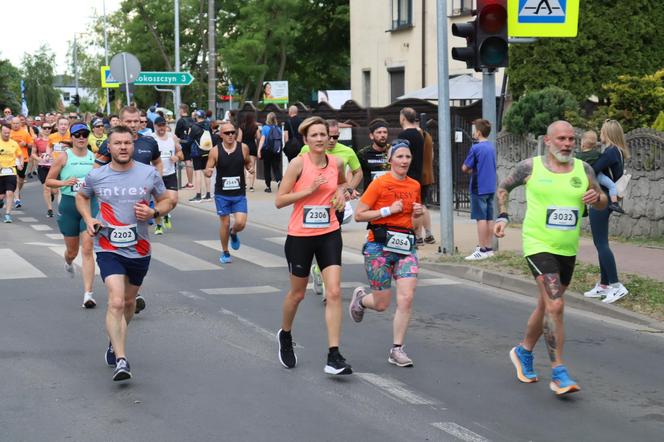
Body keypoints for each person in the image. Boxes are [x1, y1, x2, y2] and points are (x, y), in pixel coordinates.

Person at [496, 120, 606, 396]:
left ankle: (523, 352)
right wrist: (503, 215)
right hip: (538, 245)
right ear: (548, 141)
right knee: (556, 305)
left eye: (571, 139)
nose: (568, 144)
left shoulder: (584, 169)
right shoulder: (530, 167)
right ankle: (559, 372)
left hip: (567, 249)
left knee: (547, 306)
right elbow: (503, 188)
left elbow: (603, 200)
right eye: (562, 139)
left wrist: (598, 198)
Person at [77, 125, 174, 382]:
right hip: (108, 246)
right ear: (108, 147)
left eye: (127, 143)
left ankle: (114, 341)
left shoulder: (149, 173)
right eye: (117, 143)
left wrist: (155, 212)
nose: (122, 147)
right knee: (116, 301)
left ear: (133, 145)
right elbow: (82, 196)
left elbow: (168, 201)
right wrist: (88, 219)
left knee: (129, 303)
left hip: (140, 249)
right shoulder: (97, 176)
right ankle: (122, 359)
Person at [274, 116, 352, 375]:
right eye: (315, 135)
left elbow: (342, 182)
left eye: (324, 135)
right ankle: (285, 334)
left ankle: (334, 354)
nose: (320, 139)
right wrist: (308, 191)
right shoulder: (298, 164)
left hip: (329, 233)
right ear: (306, 140)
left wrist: (342, 192)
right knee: (297, 294)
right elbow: (280, 200)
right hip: (300, 236)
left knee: (335, 292)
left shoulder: (337, 162)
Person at [349, 139, 423, 367]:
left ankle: (397, 349)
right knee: (381, 304)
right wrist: (387, 210)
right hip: (379, 246)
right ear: (390, 160)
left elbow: (414, 223)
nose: (404, 161)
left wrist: (418, 215)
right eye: (399, 156)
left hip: (405, 247)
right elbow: (359, 215)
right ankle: (362, 300)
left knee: (407, 298)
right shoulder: (379, 184)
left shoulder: (414, 186)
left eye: (407, 157)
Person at [95, 106, 163, 314]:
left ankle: (133, 291)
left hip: (140, 202)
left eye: (137, 121)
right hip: (115, 203)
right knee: (116, 246)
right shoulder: (113, 144)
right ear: (120, 121)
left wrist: (154, 184)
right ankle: (125, 294)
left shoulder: (149, 142)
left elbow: (158, 163)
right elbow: (96, 171)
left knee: (137, 241)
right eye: (129, 121)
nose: (133, 125)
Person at [299, 119, 363, 301]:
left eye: (335, 137)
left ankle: (329, 286)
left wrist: (348, 189)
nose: (332, 140)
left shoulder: (347, 152)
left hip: (336, 205)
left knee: (331, 243)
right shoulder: (306, 151)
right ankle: (317, 270)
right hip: (313, 207)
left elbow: (358, 172)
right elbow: (297, 173)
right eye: (330, 136)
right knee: (316, 242)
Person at [45, 122, 98, 309]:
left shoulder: (95, 158)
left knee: (88, 248)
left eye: (84, 134)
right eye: (78, 135)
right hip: (69, 205)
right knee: (73, 251)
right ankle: (68, 261)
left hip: (89, 206)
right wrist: (65, 182)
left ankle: (88, 294)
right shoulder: (63, 157)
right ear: (72, 137)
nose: (81, 138)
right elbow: (48, 181)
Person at [583, 120, 630, 304]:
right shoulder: (617, 151)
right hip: (603, 198)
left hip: (601, 201)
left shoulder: (611, 152)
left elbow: (593, 169)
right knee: (600, 242)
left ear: (608, 133)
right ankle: (604, 285)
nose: (599, 134)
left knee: (601, 243)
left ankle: (616, 286)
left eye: (602, 131)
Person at [204, 121, 253, 263]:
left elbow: (248, 162)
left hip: (239, 193)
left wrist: (250, 168)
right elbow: (208, 168)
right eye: (227, 133)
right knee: (224, 223)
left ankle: (234, 232)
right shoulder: (215, 151)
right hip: (222, 194)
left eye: (233, 132)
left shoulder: (243, 148)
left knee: (240, 223)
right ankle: (225, 252)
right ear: (221, 135)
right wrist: (208, 172)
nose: (231, 135)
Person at [462, 119, 497, 260]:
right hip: (490, 186)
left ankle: (481, 250)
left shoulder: (475, 148)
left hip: (478, 187)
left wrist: (471, 170)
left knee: (480, 218)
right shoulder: (491, 147)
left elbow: (465, 167)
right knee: (489, 218)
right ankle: (488, 248)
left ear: (478, 132)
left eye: (474, 130)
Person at [576, 131, 624, 214]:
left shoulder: (578, 155)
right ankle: (614, 203)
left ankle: (583, 209)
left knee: (583, 192)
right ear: (594, 144)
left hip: (585, 176)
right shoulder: (597, 154)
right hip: (598, 176)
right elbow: (602, 164)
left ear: (582, 143)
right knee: (612, 186)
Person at [150, 116, 182, 234]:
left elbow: (180, 152)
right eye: (159, 125)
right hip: (157, 175)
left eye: (163, 125)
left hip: (170, 173)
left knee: (173, 200)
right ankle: (158, 226)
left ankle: (166, 212)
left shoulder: (172, 137)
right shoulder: (151, 138)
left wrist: (177, 157)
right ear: (155, 126)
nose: (161, 128)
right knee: (158, 202)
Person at [31, 123, 58, 217]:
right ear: (41, 129)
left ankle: (52, 194)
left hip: (54, 167)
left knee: (55, 190)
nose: (47, 129)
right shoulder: (37, 141)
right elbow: (33, 153)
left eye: (49, 128)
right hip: (42, 167)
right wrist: (39, 159)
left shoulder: (55, 139)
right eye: (45, 128)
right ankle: (50, 209)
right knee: (46, 187)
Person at [188, 110, 214, 202]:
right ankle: (208, 194)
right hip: (207, 151)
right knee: (206, 172)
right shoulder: (208, 126)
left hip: (197, 152)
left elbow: (189, 140)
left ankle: (198, 195)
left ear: (197, 117)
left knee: (197, 172)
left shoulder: (195, 127)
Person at [357, 119, 390, 191]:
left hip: (390, 194)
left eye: (385, 132)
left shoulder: (393, 151)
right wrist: (351, 188)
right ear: (371, 136)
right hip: (370, 196)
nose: (382, 135)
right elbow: (351, 171)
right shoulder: (363, 153)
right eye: (379, 132)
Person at [0, 123, 23, 223]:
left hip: (11, 171)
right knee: (1, 196)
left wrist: (20, 164)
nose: (6, 134)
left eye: (8, 133)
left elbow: (20, 155)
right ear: (1, 132)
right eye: (4, 133)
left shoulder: (14, 143)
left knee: (10, 192)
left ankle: (7, 214)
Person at [9, 117, 34, 208]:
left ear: (20, 124)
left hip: (23, 159)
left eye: (17, 123)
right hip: (11, 159)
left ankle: (17, 191)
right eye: (14, 123)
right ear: (11, 124)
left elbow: (31, 144)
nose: (15, 125)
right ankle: (16, 199)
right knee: (15, 178)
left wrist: (26, 144)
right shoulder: (8, 132)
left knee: (21, 179)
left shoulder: (25, 133)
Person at [257, 112, 282, 193]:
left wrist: (259, 150)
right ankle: (279, 181)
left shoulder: (265, 128)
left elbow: (262, 139)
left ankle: (268, 187)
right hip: (276, 151)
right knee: (276, 168)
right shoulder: (278, 128)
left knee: (267, 168)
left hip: (267, 151)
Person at [238, 112, 260, 192]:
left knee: (243, 166)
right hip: (252, 147)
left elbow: (239, 139)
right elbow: (258, 137)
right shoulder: (255, 127)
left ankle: (244, 184)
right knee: (252, 166)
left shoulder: (241, 127)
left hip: (243, 147)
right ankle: (251, 186)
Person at [174, 104, 195, 189]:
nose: (178, 111)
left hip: (183, 142)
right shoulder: (192, 119)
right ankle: (190, 182)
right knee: (189, 161)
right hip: (191, 142)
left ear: (182, 110)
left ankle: (186, 183)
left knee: (186, 161)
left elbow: (176, 134)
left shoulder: (180, 121)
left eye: (179, 110)